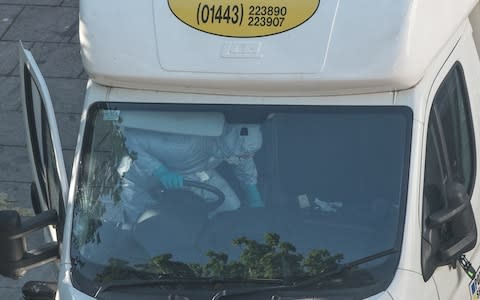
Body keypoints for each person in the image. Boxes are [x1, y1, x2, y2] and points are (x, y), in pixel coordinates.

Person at [117, 123, 264, 222]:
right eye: (237, 155)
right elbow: (129, 139)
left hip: (193, 171)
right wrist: (160, 171)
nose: (240, 159)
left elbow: (243, 161)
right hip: (139, 176)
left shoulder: (237, 147)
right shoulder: (183, 143)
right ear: (223, 142)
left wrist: (253, 195)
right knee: (142, 220)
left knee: (230, 206)